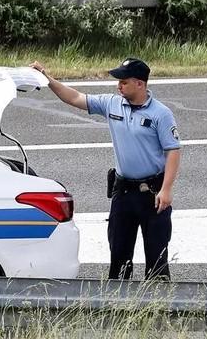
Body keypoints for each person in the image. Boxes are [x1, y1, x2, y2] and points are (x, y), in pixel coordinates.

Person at [30, 57, 181, 280]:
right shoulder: (112, 103)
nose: (118, 85)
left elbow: (173, 151)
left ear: (140, 84)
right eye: (118, 81)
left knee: (157, 260)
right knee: (119, 257)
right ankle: (119, 308)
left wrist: (166, 189)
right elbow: (74, 97)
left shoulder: (161, 114)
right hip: (124, 194)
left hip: (152, 194)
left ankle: (157, 306)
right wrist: (48, 79)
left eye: (124, 81)